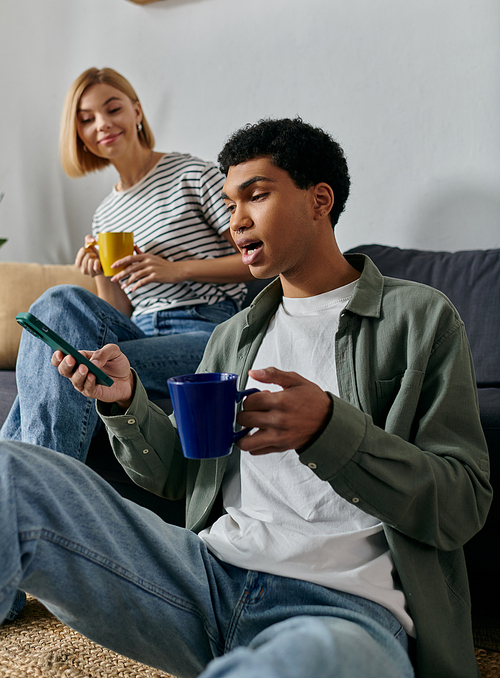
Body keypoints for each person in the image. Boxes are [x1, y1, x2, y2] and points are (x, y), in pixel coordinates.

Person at [0, 118, 491, 678]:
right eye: (231, 202)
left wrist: (332, 430)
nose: (235, 222)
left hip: (343, 611)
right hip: (202, 579)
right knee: (10, 474)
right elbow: (184, 478)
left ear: (319, 200)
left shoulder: (420, 319)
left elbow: (463, 505)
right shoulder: (231, 337)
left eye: (255, 196)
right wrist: (126, 403)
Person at [1, 67, 251, 463]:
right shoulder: (105, 214)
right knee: (60, 304)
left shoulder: (192, 174)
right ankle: (31, 486)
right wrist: (100, 272)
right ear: (79, 133)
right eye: (86, 119)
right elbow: (118, 312)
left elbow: (256, 260)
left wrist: (177, 269)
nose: (102, 124)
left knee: (67, 366)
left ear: (136, 111)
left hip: (206, 330)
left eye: (112, 108)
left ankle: (30, 486)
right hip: (137, 330)